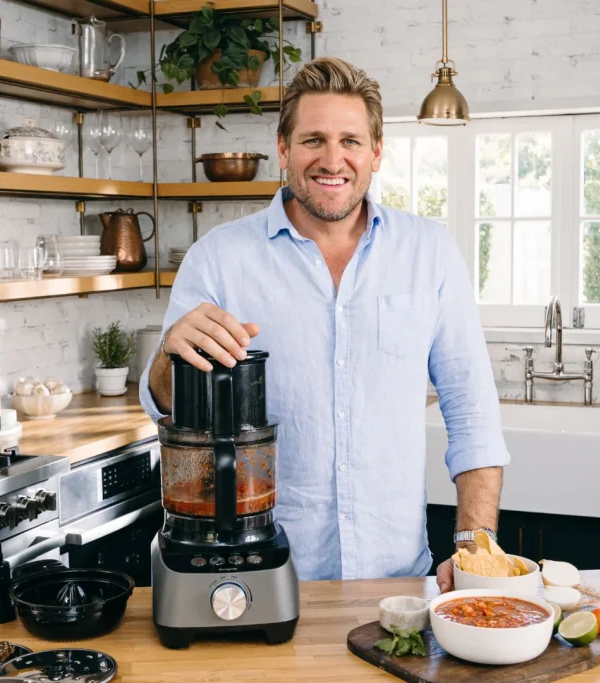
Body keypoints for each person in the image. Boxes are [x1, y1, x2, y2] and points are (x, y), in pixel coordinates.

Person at [139, 57, 509, 591]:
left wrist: (475, 548)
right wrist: (168, 357)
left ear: (376, 152)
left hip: (397, 581)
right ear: (284, 148)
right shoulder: (217, 259)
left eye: (351, 141)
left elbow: (472, 412)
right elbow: (173, 405)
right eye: (313, 139)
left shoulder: (430, 252)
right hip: (261, 579)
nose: (332, 159)